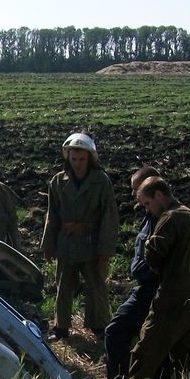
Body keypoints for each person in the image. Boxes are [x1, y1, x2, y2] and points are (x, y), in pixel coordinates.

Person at [127, 176, 190, 379]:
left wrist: (155, 265)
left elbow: (153, 254)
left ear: (159, 195)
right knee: (188, 358)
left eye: (147, 203)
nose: (147, 209)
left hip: (171, 296)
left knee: (145, 352)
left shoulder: (170, 218)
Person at [40, 132, 118, 341]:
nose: (77, 164)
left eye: (82, 159)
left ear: (90, 158)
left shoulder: (101, 181)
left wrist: (105, 249)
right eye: (73, 159)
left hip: (92, 243)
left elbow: (109, 217)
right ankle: (61, 327)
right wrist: (48, 244)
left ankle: (99, 325)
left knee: (96, 286)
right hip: (67, 244)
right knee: (63, 286)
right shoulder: (58, 181)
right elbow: (52, 215)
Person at [104, 165, 162, 379]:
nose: (133, 195)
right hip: (146, 285)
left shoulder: (162, 218)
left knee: (115, 331)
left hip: (151, 288)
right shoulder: (150, 214)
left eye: (135, 189)